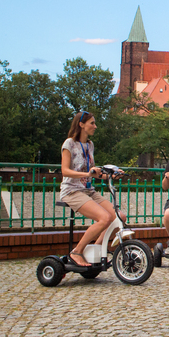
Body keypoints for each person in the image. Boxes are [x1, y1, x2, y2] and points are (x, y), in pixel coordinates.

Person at [60, 111, 122, 267]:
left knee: (119, 216)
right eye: (92, 123)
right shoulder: (69, 144)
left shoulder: (90, 145)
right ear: (81, 125)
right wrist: (88, 173)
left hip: (88, 190)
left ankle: (97, 248)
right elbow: (65, 171)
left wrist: (111, 176)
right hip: (72, 191)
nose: (95, 126)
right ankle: (77, 252)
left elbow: (93, 174)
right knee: (105, 218)